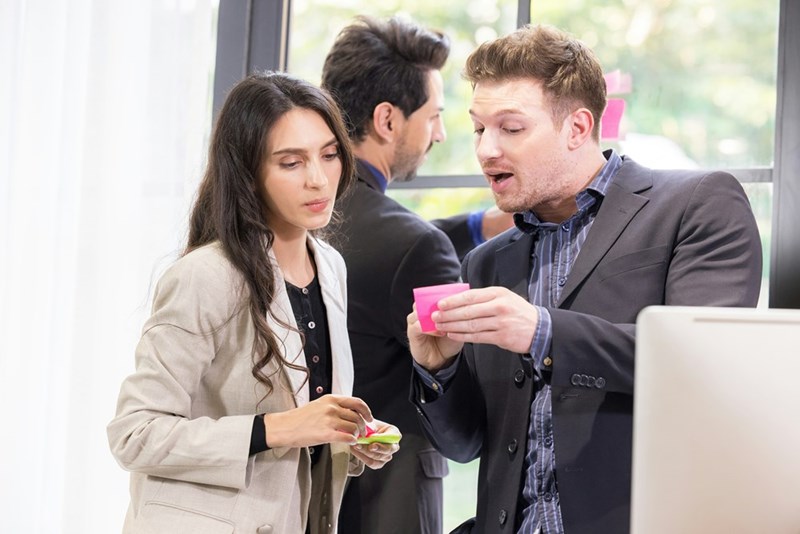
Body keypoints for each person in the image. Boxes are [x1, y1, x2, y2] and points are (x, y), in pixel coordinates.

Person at [407, 24, 762, 534]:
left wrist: (542, 331)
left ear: (578, 128)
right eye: (479, 129)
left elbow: (703, 366)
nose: (485, 150)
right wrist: (438, 371)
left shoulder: (697, 205)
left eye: (511, 128)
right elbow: (466, 445)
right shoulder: (486, 263)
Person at [107, 71, 400, 534]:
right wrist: (280, 428)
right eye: (291, 162)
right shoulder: (206, 276)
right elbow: (134, 434)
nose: (318, 179)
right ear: (248, 172)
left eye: (328, 155)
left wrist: (347, 437)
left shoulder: (329, 266)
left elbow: (305, 421)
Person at [320, 15, 511, 534]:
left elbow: (379, 241)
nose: (441, 134)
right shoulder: (413, 246)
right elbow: (465, 422)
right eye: (433, 116)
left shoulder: (298, 219)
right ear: (388, 120)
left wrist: (477, 224)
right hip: (386, 505)